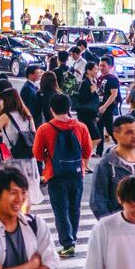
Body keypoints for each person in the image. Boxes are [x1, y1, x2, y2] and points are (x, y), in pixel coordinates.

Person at [32, 95, 94, 256]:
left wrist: (48, 156)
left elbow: (37, 154)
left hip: (55, 174)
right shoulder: (81, 127)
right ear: (69, 107)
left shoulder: (44, 129)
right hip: (76, 173)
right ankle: (72, 236)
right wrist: (82, 165)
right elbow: (88, 150)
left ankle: (67, 244)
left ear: (51, 109)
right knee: (75, 208)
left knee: (61, 210)